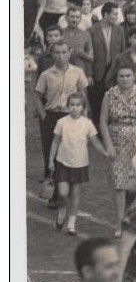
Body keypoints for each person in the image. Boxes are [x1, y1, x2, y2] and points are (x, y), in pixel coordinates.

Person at [34, 40, 90, 210]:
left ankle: (61, 194)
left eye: (64, 52)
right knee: (50, 154)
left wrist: (84, 118)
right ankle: (54, 191)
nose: (61, 56)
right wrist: (44, 115)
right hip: (51, 116)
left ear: (69, 52)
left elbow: (83, 95)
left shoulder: (78, 72)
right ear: (52, 54)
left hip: (70, 116)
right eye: (57, 52)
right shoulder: (46, 74)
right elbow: (36, 96)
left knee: (67, 153)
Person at [49, 93, 112, 236]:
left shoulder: (87, 123)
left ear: (83, 107)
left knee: (76, 193)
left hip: (79, 163)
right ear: (68, 106)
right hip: (63, 162)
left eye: (78, 105)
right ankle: (62, 211)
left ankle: (71, 223)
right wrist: (50, 160)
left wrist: (104, 152)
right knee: (63, 193)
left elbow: (95, 141)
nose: (74, 108)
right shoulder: (62, 122)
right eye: (71, 105)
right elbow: (55, 141)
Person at [99, 65, 136, 237]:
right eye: (121, 76)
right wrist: (108, 144)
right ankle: (120, 222)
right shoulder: (109, 95)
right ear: (117, 78)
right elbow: (103, 121)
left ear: (134, 77)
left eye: (128, 75)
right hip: (117, 142)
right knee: (119, 184)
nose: (125, 79)